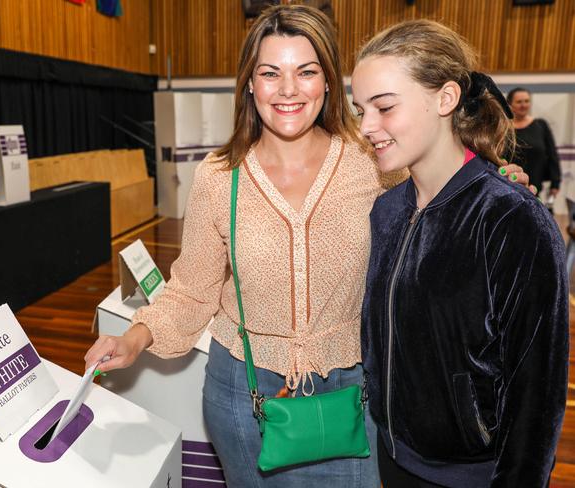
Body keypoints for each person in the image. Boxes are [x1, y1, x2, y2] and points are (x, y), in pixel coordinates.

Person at [85, 6, 530, 486]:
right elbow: (193, 289)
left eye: (307, 71)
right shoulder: (219, 177)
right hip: (243, 394)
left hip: (351, 391)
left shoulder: (375, 161)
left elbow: (445, 205)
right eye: (270, 73)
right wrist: (134, 337)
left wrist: (492, 186)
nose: (288, 89)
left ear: (328, 83)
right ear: (249, 84)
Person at [353, 20, 568, 488]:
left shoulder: (512, 220)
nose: (367, 127)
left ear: (446, 99)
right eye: (360, 109)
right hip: (393, 457)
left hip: (473, 475)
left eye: (384, 107)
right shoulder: (387, 210)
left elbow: (537, 397)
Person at [507, 87, 561, 208]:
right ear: (510, 104)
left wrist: (555, 183)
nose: (524, 105)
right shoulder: (503, 127)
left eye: (526, 101)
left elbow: (552, 155)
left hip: (535, 190)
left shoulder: (541, 125)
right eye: (519, 102)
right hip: (508, 190)